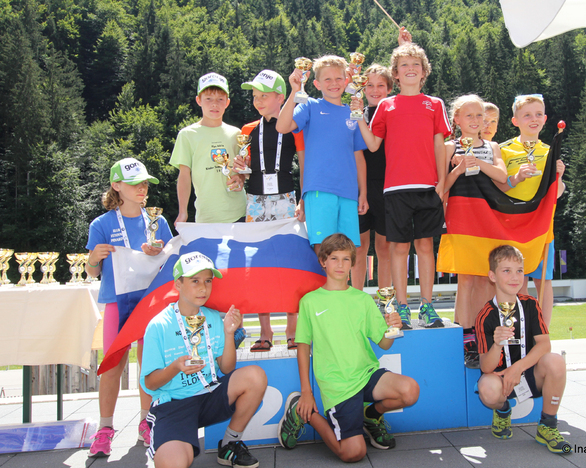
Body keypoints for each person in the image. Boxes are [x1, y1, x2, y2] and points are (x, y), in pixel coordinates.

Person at [277, 234, 419, 462]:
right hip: (338, 386)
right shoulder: (310, 301)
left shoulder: (362, 300)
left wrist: (393, 328)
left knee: (410, 391)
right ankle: (305, 414)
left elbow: (384, 343)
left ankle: (371, 416)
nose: (340, 265)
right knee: (354, 453)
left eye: (345, 259)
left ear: (353, 263)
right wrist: (306, 392)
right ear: (323, 261)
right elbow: (303, 348)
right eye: (334, 258)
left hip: (367, 375)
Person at [354, 40, 452, 330]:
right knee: (398, 248)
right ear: (395, 74)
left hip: (428, 187)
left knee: (425, 246)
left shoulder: (434, 104)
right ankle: (402, 306)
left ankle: (427, 306)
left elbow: (439, 144)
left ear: (424, 72)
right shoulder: (386, 104)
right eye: (404, 66)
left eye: (416, 65)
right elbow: (372, 145)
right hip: (395, 189)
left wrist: (442, 182)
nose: (410, 69)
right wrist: (359, 116)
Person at [141, 252, 267, 468]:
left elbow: (227, 368)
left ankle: (230, 445)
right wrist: (175, 367)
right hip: (174, 404)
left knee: (255, 376)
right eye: (195, 281)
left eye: (208, 281)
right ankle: (166, 439)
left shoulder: (212, 317)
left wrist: (229, 333)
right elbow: (150, 384)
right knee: (173, 464)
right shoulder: (158, 325)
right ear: (178, 284)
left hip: (209, 395)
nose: (203, 288)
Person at [86, 158, 173, 457]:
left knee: (148, 366)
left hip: (150, 303)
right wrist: (94, 258)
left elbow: (171, 264)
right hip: (117, 302)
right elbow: (92, 273)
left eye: (145, 183)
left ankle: (146, 423)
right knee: (112, 367)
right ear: (116, 186)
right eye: (135, 183)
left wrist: (161, 250)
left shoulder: (157, 220)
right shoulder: (101, 223)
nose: (142, 188)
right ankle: (105, 429)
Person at [234, 69, 305, 352]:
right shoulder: (247, 130)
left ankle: (292, 328)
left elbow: (304, 162)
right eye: (254, 96)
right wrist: (238, 173)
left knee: (289, 263)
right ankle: (265, 330)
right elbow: (243, 166)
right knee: (260, 265)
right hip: (255, 199)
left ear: (280, 97)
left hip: (287, 196)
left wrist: (303, 198)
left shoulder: (294, 125)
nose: (258, 101)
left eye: (264, 96)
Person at [475, 245, 571, 454]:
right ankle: (502, 411)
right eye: (506, 270)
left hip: (528, 372)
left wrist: (518, 368)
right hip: (499, 377)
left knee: (556, 362)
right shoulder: (485, 315)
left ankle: (548, 425)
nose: (515, 277)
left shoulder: (530, 304)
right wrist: (497, 344)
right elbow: (486, 366)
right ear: (492, 276)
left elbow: (545, 345)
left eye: (519, 270)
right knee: (487, 389)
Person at [276, 55, 369, 252]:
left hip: (348, 192)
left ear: (347, 81)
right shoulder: (309, 106)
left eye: (338, 78)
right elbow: (282, 126)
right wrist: (294, 91)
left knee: (346, 251)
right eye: (327, 79)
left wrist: (363, 193)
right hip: (319, 189)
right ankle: (323, 284)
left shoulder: (354, 113)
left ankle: (343, 285)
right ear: (317, 84)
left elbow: (359, 158)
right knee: (323, 249)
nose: (333, 83)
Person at [442, 94, 507, 368]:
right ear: (456, 120)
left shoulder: (492, 147)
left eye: (480, 115)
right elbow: (441, 186)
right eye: (469, 115)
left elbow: (503, 178)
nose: (476, 120)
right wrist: (458, 169)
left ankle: (482, 332)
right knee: (466, 279)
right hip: (460, 215)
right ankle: (465, 335)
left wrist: (477, 163)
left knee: (485, 279)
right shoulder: (448, 147)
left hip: (487, 218)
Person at [495, 94, 566, 326]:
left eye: (538, 115)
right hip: (513, 226)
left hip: (542, 227)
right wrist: (516, 178)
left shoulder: (550, 150)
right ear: (515, 120)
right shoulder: (504, 149)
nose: (533, 119)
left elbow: (557, 193)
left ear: (545, 119)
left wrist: (560, 177)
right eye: (526, 115)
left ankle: (542, 331)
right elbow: (499, 186)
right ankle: (519, 328)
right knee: (518, 280)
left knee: (543, 281)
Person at [170, 72, 246, 226]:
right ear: (199, 100)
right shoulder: (187, 135)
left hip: (240, 213)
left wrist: (242, 177)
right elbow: (184, 176)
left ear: (227, 102)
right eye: (209, 99)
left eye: (220, 99)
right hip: (206, 216)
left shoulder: (237, 134)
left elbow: (244, 169)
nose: (214, 104)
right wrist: (183, 211)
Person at [350, 64, 394, 292]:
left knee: (385, 248)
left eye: (381, 85)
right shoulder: (355, 113)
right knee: (358, 247)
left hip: (388, 186)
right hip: (359, 186)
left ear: (389, 88)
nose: (375, 90)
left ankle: (385, 300)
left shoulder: (393, 111)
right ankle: (356, 297)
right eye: (369, 85)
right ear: (362, 88)